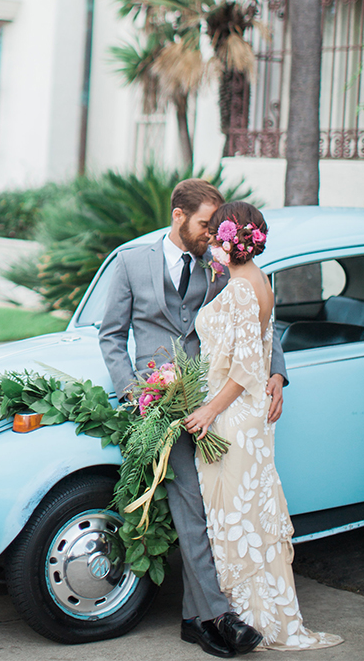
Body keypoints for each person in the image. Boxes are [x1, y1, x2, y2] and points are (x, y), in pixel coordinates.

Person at [99, 179, 288, 657]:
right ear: (178, 215)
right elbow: (111, 336)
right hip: (160, 405)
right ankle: (217, 616)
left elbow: (255, 318)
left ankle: (195, 618)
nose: (212, 232)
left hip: (214, 402)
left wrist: (276, 372)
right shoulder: (131, 263)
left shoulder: (220, 262)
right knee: (193, 506)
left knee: (211, 509)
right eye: (205, 223)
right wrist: (134, 393)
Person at [185, 202, 342, 651]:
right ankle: (265, 616)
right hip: (250, 416)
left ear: (226, 240)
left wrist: (208, 411)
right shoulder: (259, 281)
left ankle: (251, 619)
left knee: (234, 517)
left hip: (232, 416)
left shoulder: (239, 289)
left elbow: (244, 369)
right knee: (252, 516)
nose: (210, 243)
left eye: (214, 236)